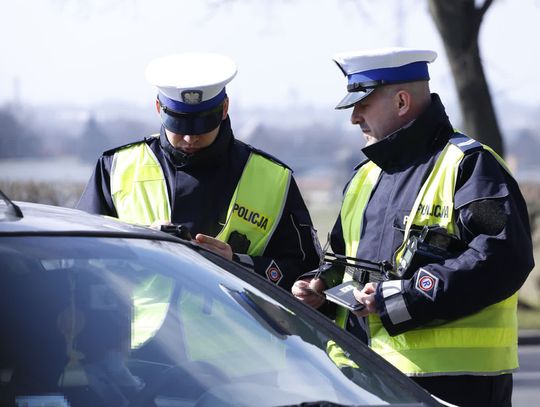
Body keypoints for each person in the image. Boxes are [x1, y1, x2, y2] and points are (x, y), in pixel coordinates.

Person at [292, 47, 534, 407]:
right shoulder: (364, 177)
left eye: (363, 104)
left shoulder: (470, 166)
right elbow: (343, 261)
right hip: (362, 378)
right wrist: (321, 288)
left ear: (402, 101)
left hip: (454, 387)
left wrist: (406, 297)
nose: (354, 118)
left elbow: (503, 258)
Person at [77, 52, 320, 290]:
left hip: (233, 330)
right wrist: (140, 247)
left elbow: (306, 273)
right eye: (178, 123)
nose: (189, 137)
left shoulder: (274, 178)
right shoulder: (115, 167)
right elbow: (81, 255)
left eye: (202, 124)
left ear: (224, 108)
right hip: (134, 329)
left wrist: (238, 263)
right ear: (158, 108)